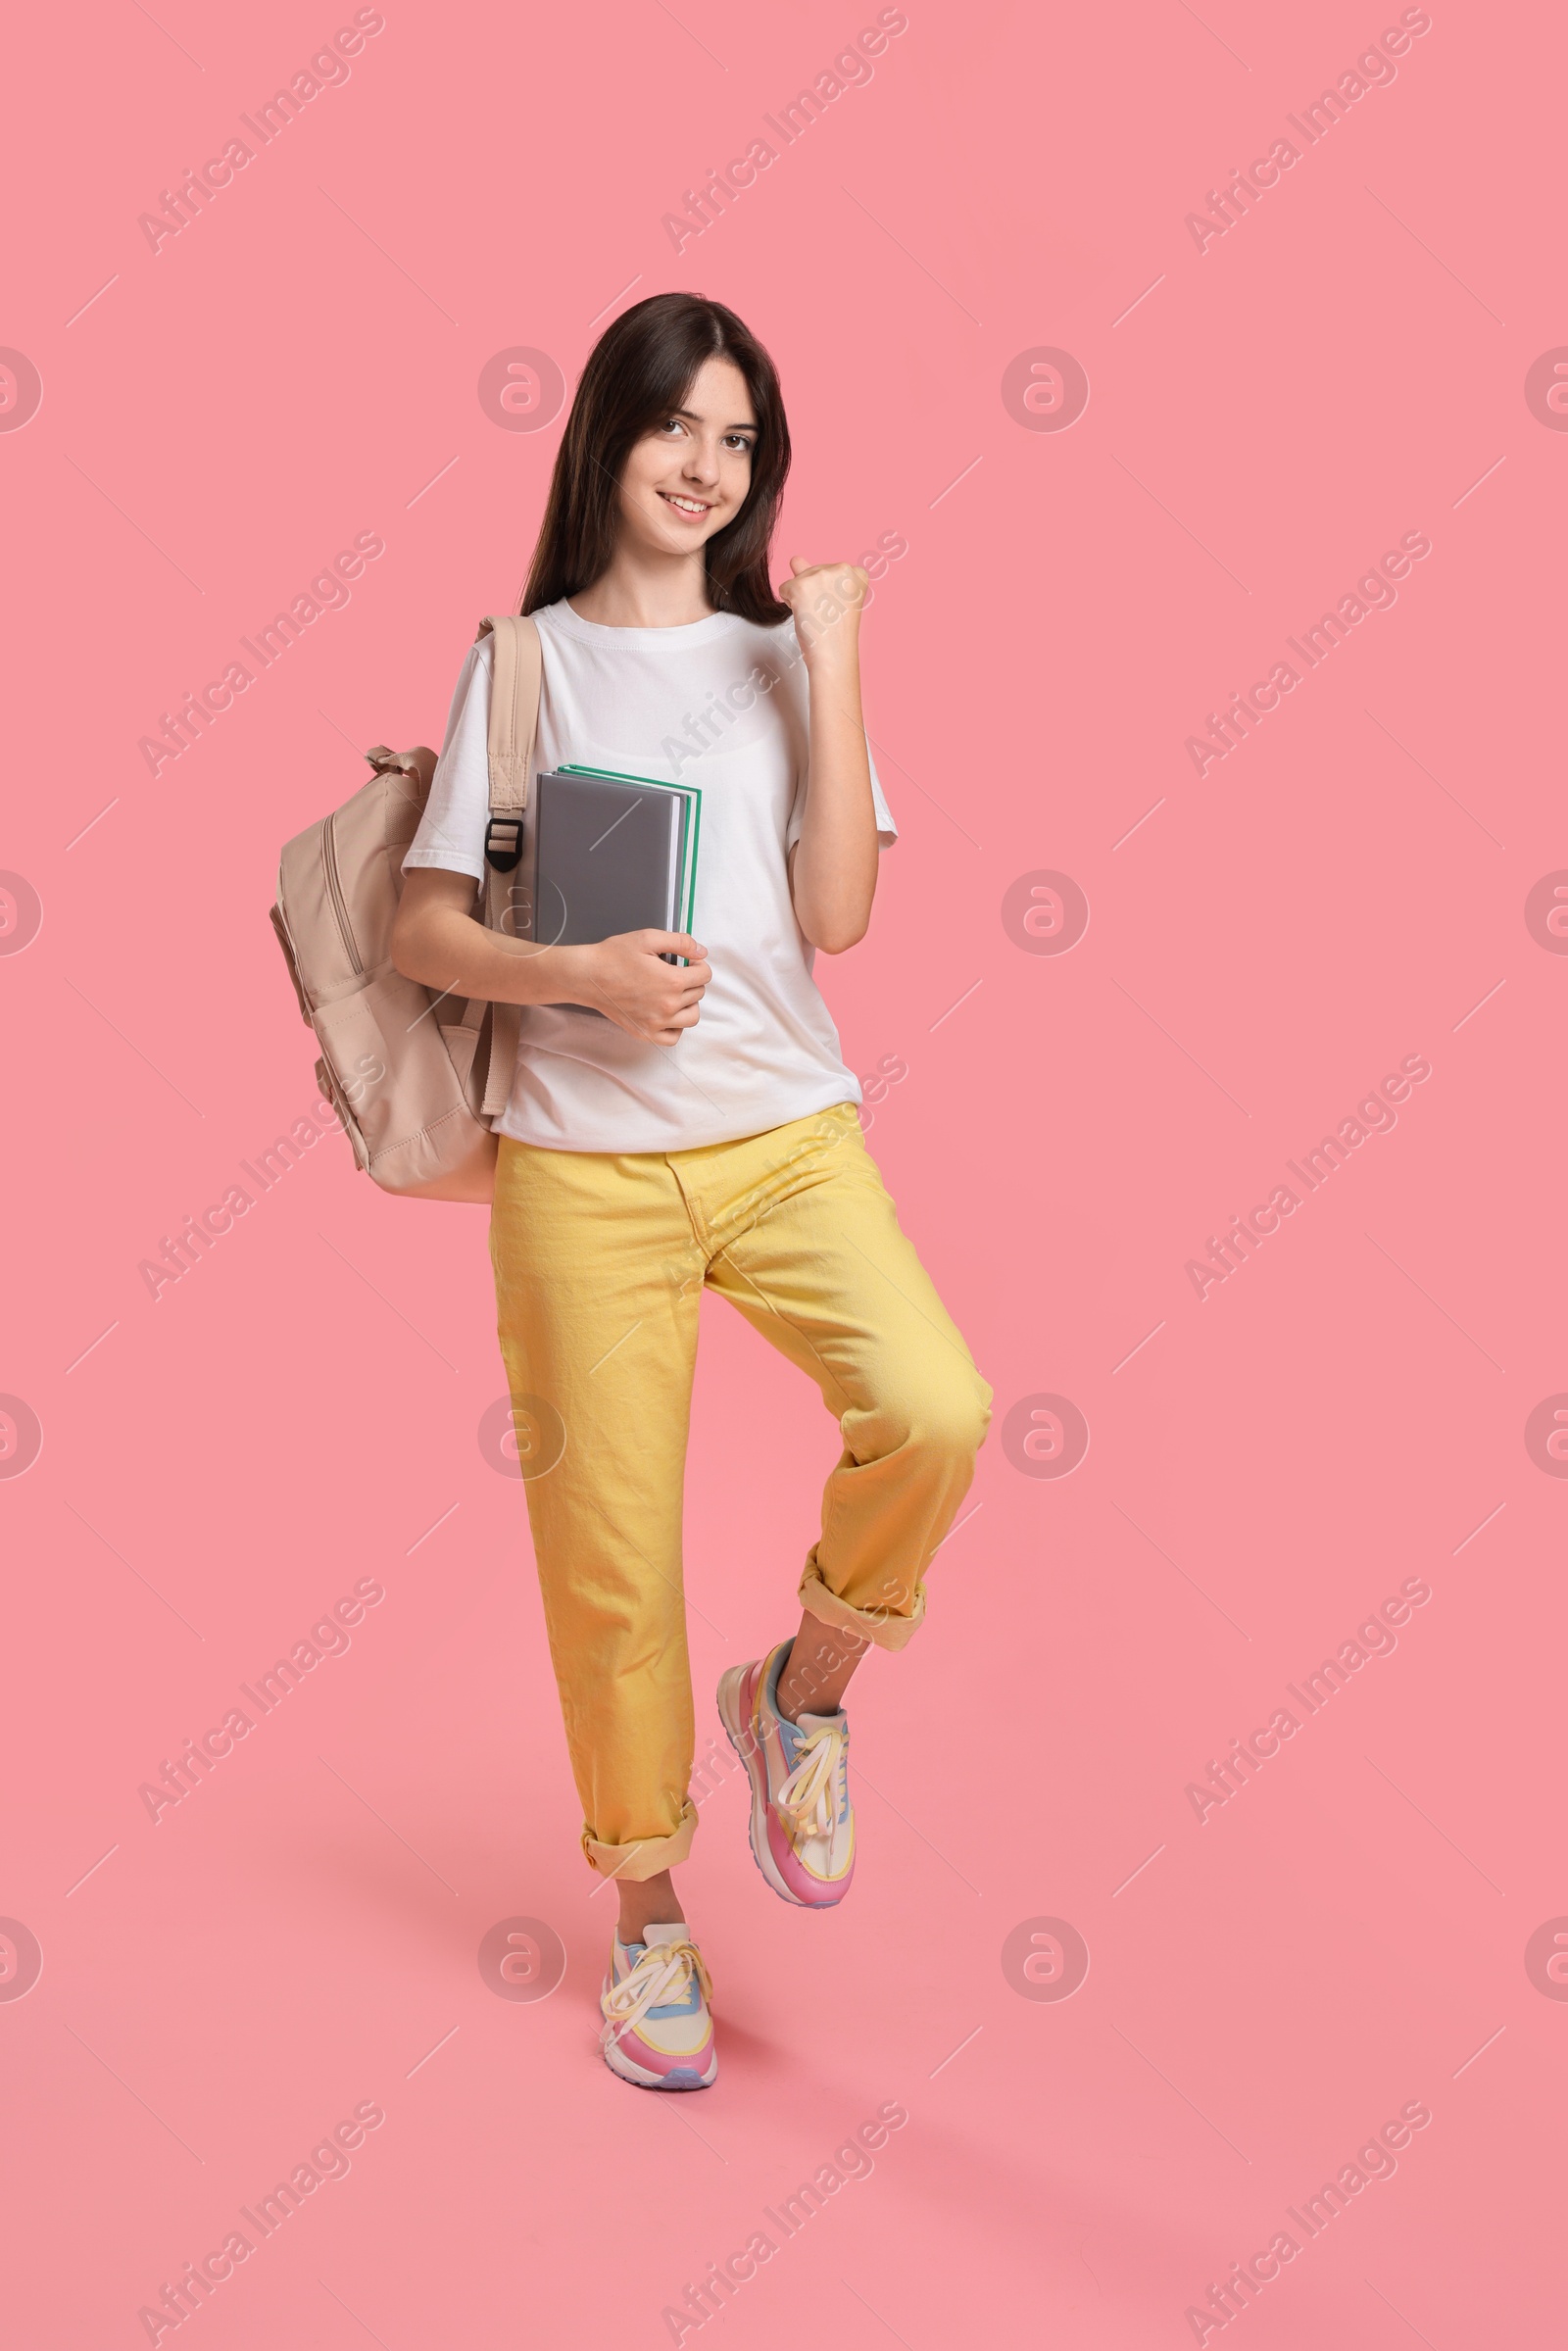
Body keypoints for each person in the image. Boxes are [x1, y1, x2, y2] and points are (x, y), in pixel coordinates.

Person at [392, 292, 991, 2090]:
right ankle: (647, 1917)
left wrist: (838, 651)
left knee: (936, 1408)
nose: (704, 466)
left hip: (785, 1135)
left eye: (738, 441)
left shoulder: (781, 656)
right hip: (581, 1171)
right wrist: (580, 980)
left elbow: (836, 916)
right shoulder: (522, 662)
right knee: (610, 1560)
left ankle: (797, 1696)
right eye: (678, 428)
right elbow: (426, 926)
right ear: (610, 436)